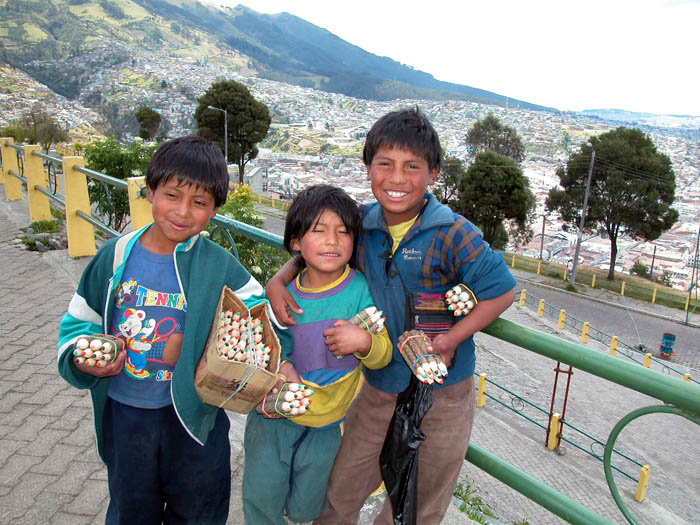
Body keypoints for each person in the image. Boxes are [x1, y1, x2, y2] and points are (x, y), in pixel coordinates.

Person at [266, 108, 517, 524]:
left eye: (412, 167)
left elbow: (501, 291)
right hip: (380, 382)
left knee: (421, 502)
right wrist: (280, 279)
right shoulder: (360, 224)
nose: (397, 179)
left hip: (445, 391)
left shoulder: (453, 232)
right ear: (368, 169)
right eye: (385, 164)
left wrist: (452, 340)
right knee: (341, 488)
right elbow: (318, 254)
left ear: (433, 173)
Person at [57, 136, 282, 524]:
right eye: (172, 195)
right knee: (131, 509)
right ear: (150, 191)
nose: (182, 212)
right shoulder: (115, 257)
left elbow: (262, 322)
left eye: (199, 202)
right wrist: (82, 357)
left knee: (200, 510)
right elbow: (82, 320)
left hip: (196, 420)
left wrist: (266, 367)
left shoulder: (219, 264)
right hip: (127, 415)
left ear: (214, 209)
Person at [243, 184, 392, 524]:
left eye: (343, 232)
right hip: (274, 420)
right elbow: (262, 343)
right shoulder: (283, 299)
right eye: (319, 230)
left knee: (307, 507)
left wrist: (364, 342)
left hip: (328, 424)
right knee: (262, 499)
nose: (333, 241)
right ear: (296, 242)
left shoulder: (359, 291)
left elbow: (383, 355)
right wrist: (282, 365)